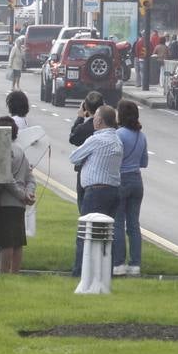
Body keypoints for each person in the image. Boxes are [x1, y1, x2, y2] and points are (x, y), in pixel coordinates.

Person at [69, 104, 122, 277]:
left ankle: (80, 272)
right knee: (107, 234)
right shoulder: (117, 140)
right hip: (113, 191)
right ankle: (105, 272)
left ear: (98, 121)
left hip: (96, 191)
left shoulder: (96, 139)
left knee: (86, 233)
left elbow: (74, 157)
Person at [0, 117, 36, 274]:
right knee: (18, 241)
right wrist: (29, 193)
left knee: (6, 242)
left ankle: (3, 273)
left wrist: (21, 195)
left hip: (7, 202)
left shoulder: (5, 151)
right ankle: (15, 273)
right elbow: (30, 177)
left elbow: (6, 178)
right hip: (19, 204)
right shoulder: (20, 150)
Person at [112, 101, 147, 277]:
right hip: (137, 180)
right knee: (134, 224)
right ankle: (135, 264)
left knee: (118, 222)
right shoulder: (141, 136)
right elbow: (144, 162)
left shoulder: (119, 134)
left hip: (121, 179)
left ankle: (118, 263)